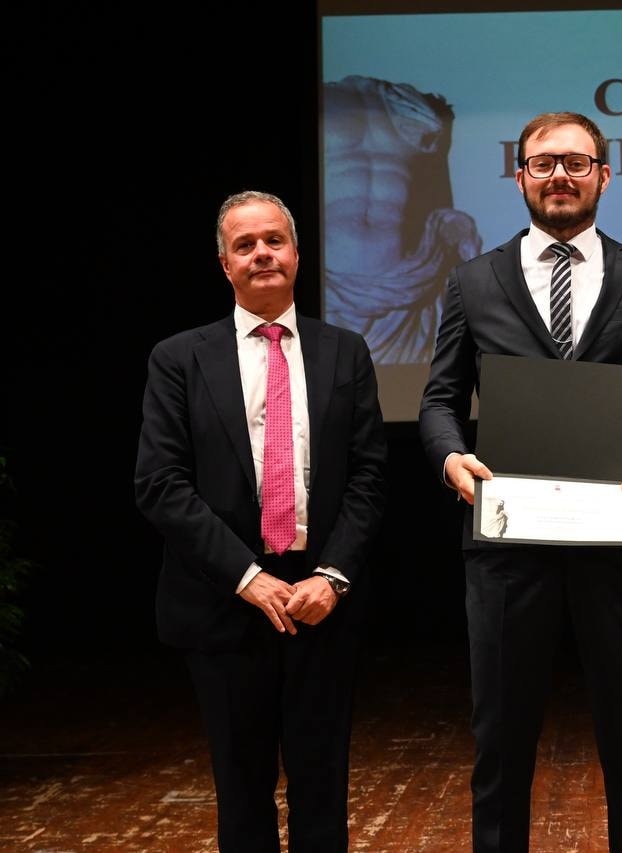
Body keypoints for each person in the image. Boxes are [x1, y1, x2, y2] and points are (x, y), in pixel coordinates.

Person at [419, 112, 622, 853]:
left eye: (576, 162)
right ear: (520, 178)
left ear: (604, 175)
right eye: (543, 163)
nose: (560, 176)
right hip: (509, 542)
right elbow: (440, 400)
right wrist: (450, 457)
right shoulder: (473, 280)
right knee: (500, 740)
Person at [134, 190, 388, 851]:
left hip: (320, 601)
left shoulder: (346, 351)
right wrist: (246, 576)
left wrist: (333, 576)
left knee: (322, 785)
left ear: (297, 254)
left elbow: (369, 476)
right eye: (244, 245)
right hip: (224, 601)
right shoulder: (178, 358)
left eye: (274, 240)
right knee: (241, 792)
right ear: (225, 265)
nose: (262, 253)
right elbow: (160, 484)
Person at [324, 75, 483, 364]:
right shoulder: (323, 102)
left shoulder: (413, 109)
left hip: (405, 279)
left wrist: (443, 228)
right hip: (336, 285)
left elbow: (433, 184)